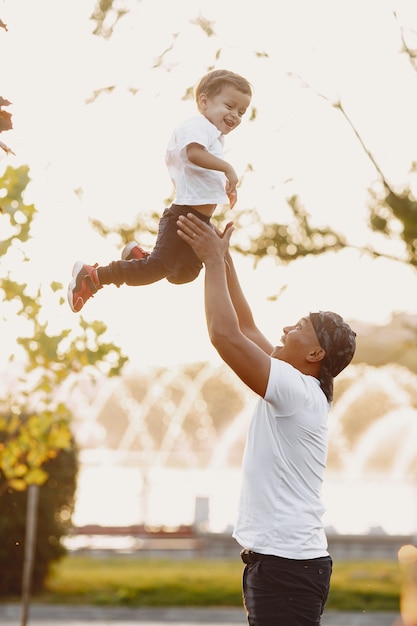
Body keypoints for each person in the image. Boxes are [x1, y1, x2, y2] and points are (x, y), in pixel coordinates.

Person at [176, 213, 356, 626]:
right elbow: (244, 324)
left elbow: (224, 335)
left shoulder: (297, 392)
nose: (286, 327)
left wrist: (214, 262)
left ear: (315, 355)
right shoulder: (298, 383)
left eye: (299, 327)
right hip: (284, 564)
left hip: (288, 568)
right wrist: (219, 257)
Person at [67, 69, 252, 313]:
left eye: (241, 112)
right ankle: (93, 276)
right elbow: (192, 153)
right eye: (229, 105)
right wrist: (228, 168)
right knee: (155, 270)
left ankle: (139, 257)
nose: (235, 115)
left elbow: (202, 172)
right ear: (204, 101)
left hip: (199, 219)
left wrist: (226, 187)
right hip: (183, 216)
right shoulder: (197, 126)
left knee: (184, 274)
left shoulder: (214, 137)